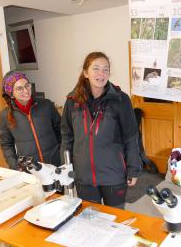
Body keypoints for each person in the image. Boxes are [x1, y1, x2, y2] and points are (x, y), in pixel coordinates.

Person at [60, 52, 141, 209]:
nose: (101, 74)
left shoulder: (121, 100)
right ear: (85, 73)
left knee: (116, 218)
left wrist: (133, 169)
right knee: (91, 218)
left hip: (114, 175)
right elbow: (66, 137)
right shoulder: (72, 101)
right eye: (96, 68)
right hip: (84, 176)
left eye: (105, 69)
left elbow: (131, 137)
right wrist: (66, 167)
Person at [0, 71, 61, 170]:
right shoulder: (5, 115)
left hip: (55, 164)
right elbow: (6, 144)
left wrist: (63, 154)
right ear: (11, 94)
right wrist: (15, 166)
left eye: (27, 85)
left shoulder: (46, 105)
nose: (26, 91)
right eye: (19, 88)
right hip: (30, 169)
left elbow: (61, 131)